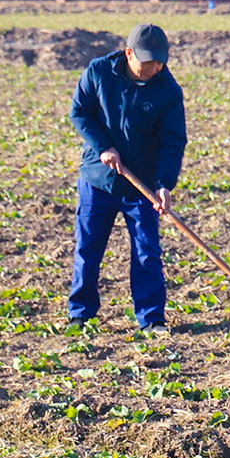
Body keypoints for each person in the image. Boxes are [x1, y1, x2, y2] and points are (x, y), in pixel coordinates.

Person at [68, 23, 187, 332]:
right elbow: (80, 112)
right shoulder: (98, 72)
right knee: (88, 249)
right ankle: (80, 313)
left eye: (160, 61)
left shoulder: (168, 91)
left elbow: (173, 141)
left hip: (143, 185)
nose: (155, 67)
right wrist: (103, 147)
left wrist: (164, 184)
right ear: (129, 53)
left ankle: (151, 319)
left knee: (147, 252)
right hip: (99, 178)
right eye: (148, 61)